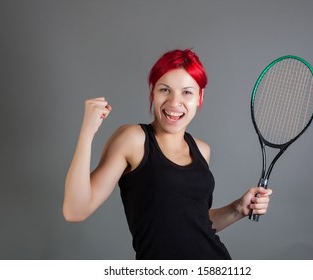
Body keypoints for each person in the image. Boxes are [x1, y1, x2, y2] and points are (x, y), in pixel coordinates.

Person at [63, 49, 272, 260]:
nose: (174, 102)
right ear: (153, 92)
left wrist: (237, 209)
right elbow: (75, 210)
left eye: (187, 92)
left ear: (200, 97)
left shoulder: (202, 150)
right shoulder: (133, 139)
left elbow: (193, 225)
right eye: (165, 90)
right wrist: (86, 133)